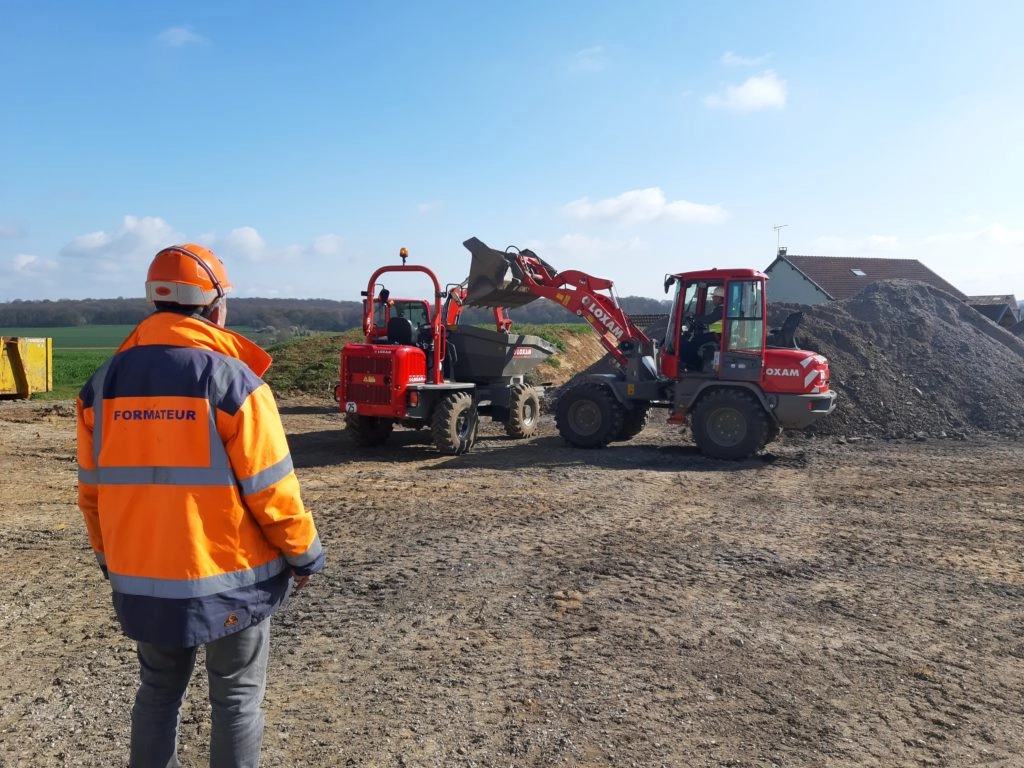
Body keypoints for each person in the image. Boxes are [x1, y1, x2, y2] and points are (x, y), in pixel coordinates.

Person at [76, 244, 325, 768]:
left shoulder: (101, 387)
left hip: (140, 578)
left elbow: (93, 494)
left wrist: (110, 561)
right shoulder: (234, 383)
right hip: (233, 581)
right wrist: (305, 555)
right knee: (235, 701)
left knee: (157, 695)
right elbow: (273, 492)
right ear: (215, 307)